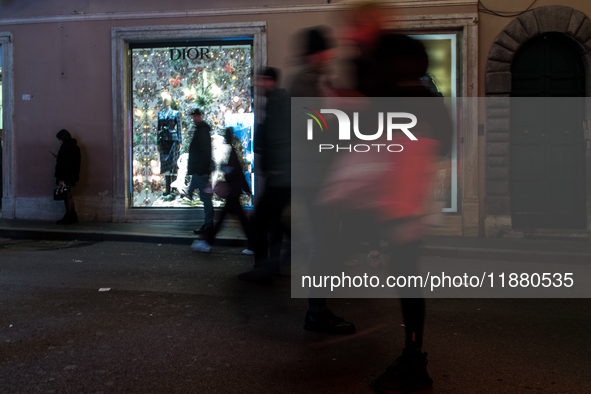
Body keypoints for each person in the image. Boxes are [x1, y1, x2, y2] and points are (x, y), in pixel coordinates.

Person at [340, 3, 453, 393]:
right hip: (398, 173)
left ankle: (415, 363)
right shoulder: (388, 64)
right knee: (403, 261)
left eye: (356, 26)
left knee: (404, 262)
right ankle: (413, 357)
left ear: (369, 25)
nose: (351, 33)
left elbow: (374, 114)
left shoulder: (387, 63)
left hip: (400, 173)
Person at [290, 26, 356, 335]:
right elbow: (310, 122)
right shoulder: (304, 81)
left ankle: (318, 308)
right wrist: (339, 114)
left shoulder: (320, 80)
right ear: (317, 53)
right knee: (323, 241)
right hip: (314, 175)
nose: (331, 56)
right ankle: (316, 311)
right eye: (327, 51)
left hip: (325, 173)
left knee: (327, 241)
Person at [238, 67, 291, 281]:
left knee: (260, 220)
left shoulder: (279, 102)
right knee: (276, 222)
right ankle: (273, 265)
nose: (260, 85)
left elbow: (279, 138)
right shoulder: (274, 103)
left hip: (280, 176)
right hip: (281, 175)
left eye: (263, 80)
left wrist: (274, 164)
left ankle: (262, 266)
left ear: (272, 81)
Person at [192, 128, 254, 254]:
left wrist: (243, 187)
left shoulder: (231, 152)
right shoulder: (232, 151)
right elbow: (238, 173)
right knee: (235, 220)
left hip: (233, 191)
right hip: (234, 191)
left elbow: (236, 172)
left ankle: (207, 243)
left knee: (226, 219)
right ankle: (253, 245)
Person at [186, 108, 214, 234]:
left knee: (205, 198)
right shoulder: (201, 131)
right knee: (205, 197)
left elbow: (203, 153)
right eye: (193, 117)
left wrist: (200, 169)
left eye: (195, 117)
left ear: (199, 117)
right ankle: (208, 224)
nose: (193, 119)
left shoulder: (202, 132)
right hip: (201, 170)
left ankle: (209, 224)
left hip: (201, 170)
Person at [54, 129, 81, 224]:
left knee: (66, 196)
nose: (60, 141)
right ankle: (73, 215)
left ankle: (69, 216)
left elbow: (62, 164)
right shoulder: (75, 147)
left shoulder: (64, 148)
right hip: (72, 175)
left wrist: (61, 179)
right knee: (69, 194)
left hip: (65, 176)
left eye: (60, 139)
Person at [157, 97, 182, 196]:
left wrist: (179, 141)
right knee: (165, 163)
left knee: (173, 163)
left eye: (167, 100)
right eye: (164, 100)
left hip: (173, 140)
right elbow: (158, 128)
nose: (165, 102)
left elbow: (179, 128)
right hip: (163, 140)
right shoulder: (160, 114)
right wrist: (158, 142)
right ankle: (167, 189)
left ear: (170, 101)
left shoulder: (175, 113)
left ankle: (173, 189)